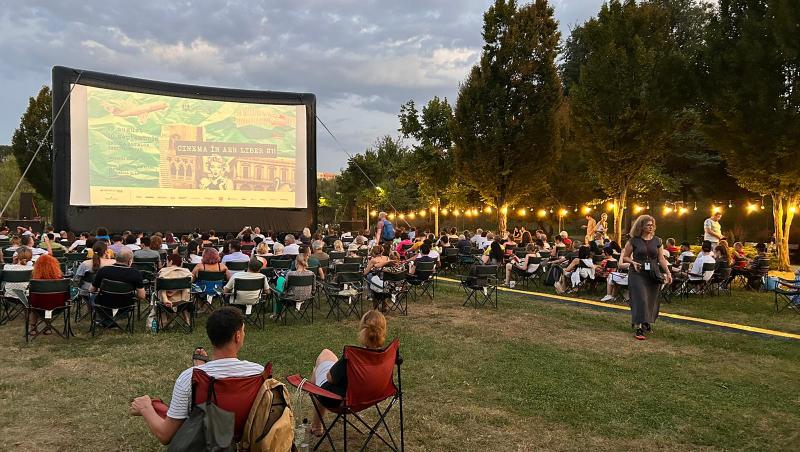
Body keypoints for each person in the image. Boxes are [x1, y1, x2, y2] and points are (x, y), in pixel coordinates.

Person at [129, 307, 263, 445]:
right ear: (238, 336)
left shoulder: (189, 377)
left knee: (192, 393)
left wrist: (145, 407)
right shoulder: (259, 373)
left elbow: (165, 435)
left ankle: (205, 370)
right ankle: (205, 369)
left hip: (206, 443)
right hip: (248, 442)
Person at [309, 310, 387, 437]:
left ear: (363, 329)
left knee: (323, 357)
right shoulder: (386, 356)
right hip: (373, 396)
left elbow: (330, 378)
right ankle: (316, 424)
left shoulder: (353, 357)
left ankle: (316, 425)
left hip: (343, 401)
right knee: (329, 359)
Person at [620, 215, 672, 340]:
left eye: (652, 225)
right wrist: (633, 262)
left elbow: (661, 259)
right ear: (641, 226)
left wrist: (668, 273)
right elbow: (625, 256)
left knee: (650, 300)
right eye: (648, 225)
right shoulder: (633, 240)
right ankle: (638, 328)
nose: (651, 227)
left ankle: (646, 322)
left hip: (653, 273)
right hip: (637, 272)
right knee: (641, 298)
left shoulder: (657, 241)